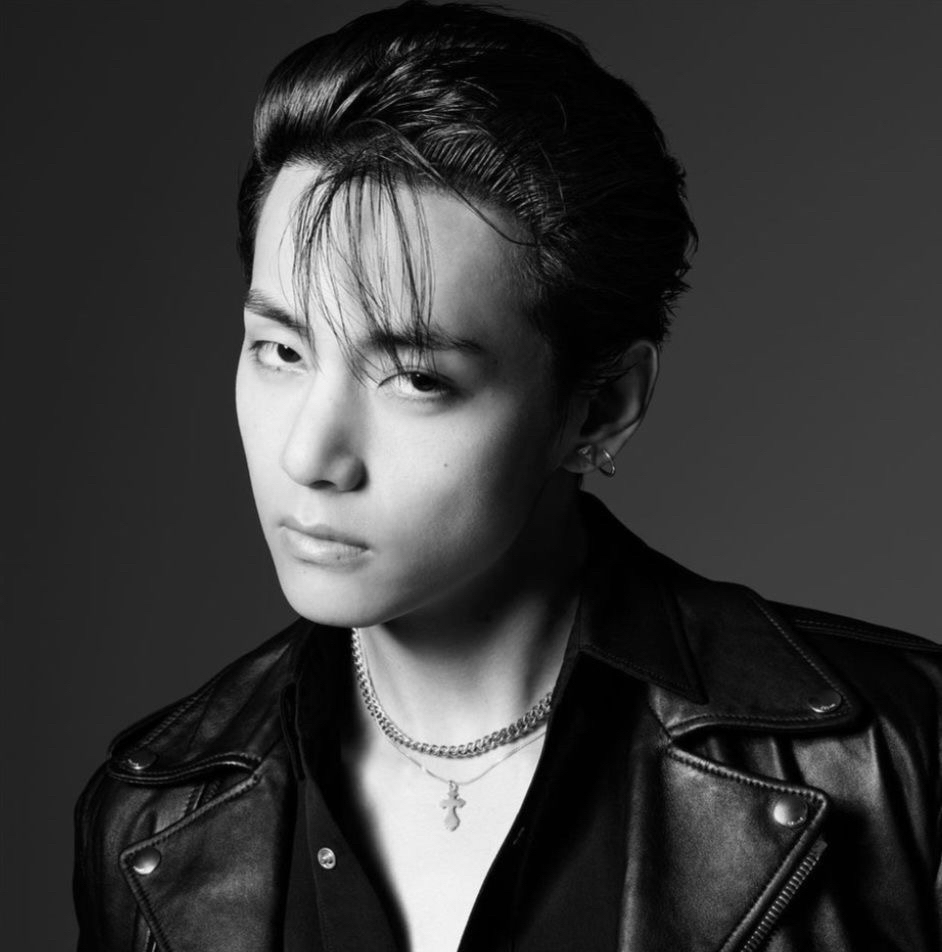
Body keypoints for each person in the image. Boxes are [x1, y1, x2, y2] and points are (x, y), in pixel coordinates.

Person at [72, 2, 942, 950]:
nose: (308, 458)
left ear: (600, 408)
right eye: (280, 350)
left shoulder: (898, 760)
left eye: (417, 378)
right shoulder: (150, 821)